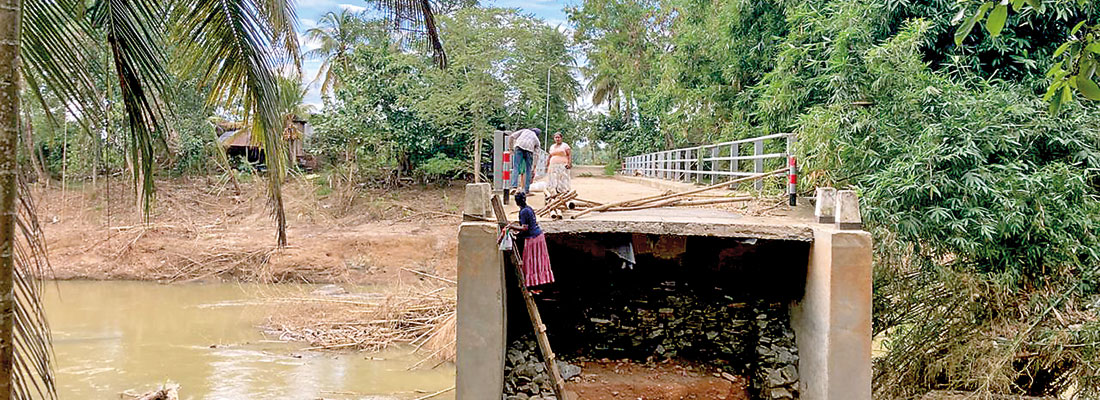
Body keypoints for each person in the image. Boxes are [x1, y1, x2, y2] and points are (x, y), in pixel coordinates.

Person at [507, 192, 554, 288]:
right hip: (539, 236)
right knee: (539, 260)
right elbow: (532, 223)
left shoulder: (523, 212)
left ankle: (532, 284)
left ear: (517, 202)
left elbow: (525, 228)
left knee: (530, 261)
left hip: (533, 239)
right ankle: (540, 282)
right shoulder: (529, 208)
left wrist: (512, 226)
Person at [510, 128, 541, 194]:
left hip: (519, 147)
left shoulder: (524, 130)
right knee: (528, 170)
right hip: (529, 150)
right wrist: (534, 166)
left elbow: (512, 136)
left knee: (516, 167)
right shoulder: (537, 140)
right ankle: (526, 190)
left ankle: (514, 187)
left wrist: (511, 149)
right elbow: (536, 155)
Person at [545, 132, 572, 196]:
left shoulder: (565, 146)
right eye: (556, 137)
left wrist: (569, 163)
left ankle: (564, 192)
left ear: (561, 138)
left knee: (563, 178)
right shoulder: (552, 146)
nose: (557, 139)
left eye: (558, 137)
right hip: (553, 165)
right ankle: (554, 193)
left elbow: (569, 155)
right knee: (553, 178)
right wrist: (547, 164)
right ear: (554, 138)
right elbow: (550, 155)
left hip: (562, 165)